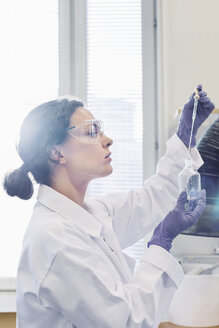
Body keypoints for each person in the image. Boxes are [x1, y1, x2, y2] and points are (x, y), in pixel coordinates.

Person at [4, 85, 214, 327]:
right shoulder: (55, 239)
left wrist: (184, 135)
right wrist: (161, 241)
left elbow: (153, 198)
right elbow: (126, 321)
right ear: (56, 152)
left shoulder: (91, 214)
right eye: (91, 131)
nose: (108, 140)